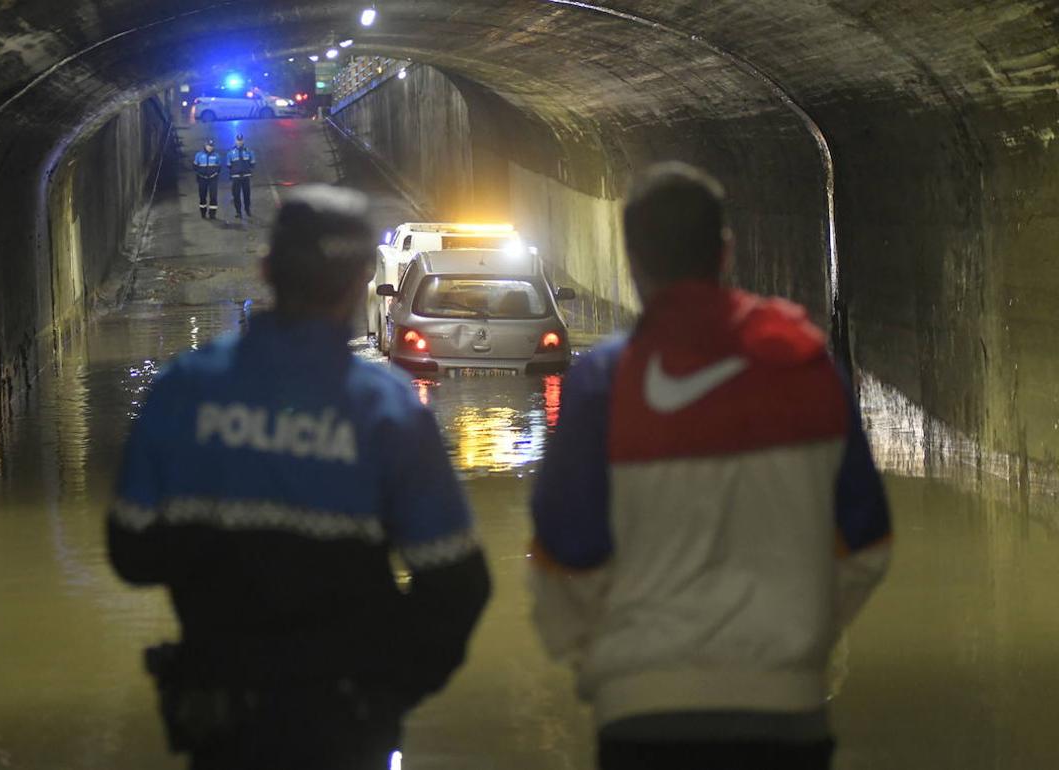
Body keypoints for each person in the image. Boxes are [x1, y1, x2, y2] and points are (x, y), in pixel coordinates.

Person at [107, 184, 491, 770]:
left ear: (266, 270)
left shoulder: (185, 387)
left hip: (223, 721)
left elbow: (131, 550)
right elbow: (457, 583)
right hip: (347, 724)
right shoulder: (387, 411)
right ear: (364, 278)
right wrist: (386, 688)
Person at [529, 162, 891, 770]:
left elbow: (564, 552)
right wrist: (803, 634)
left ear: (633, 259)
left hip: (644, 714)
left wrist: (598, 654)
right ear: (725, 251)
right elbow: (868, 541)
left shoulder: (603, 386)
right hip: (786, 711)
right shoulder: (805, 367)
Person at [227, 133, 256, 218]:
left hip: (246, 176)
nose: (239, 142)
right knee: (236, 195)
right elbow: (229, 165)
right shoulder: (230, 152)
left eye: (241, 140)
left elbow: (253, 164)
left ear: (243, 141)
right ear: (235, 141)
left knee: (247, 194)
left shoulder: (249, 151)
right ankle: (238, 212)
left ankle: (247, 209)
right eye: (238, 140)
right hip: (236, 177)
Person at [193, 138, 222, 219]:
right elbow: (195, 166)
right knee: (202, 196)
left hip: (213, 179)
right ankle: (203, 212)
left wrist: (215, 174)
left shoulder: (216, 156)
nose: (210, 148)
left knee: (213, 197)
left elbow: (219, 167)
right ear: (205, 146)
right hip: (202, 179)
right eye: (209, 146)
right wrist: (200, 173)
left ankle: (212, 214)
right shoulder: (199, 155)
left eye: (212, 146)